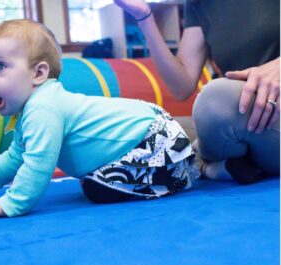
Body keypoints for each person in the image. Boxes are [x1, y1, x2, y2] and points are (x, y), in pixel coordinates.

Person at [0, 19, 199, 221]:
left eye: (0, 66)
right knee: (95, 185)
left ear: (38, 73)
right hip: (151, 135)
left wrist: (12, 202)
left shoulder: (43, 107)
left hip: (154, 142)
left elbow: (38, 163)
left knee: (97, 188)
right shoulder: (28, 111)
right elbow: (17, 156)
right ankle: (198, 164)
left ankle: (195, 165)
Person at [113, 0, 280, 184]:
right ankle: (215, 163)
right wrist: (144, 17)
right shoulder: (199, 4)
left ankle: (202, 164)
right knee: (149, 127)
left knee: (215, 102)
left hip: (263, 113)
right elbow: (181, 87)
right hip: (245, 118)